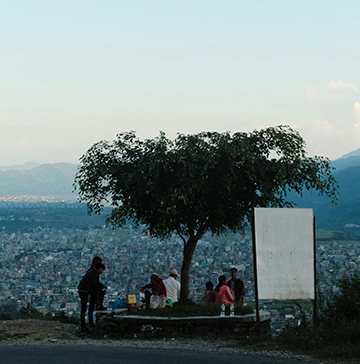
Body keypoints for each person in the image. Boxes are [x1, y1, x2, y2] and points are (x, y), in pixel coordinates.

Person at [78, 262, 106, 333]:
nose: (102, 272)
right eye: (102, 270)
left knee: (84, 308)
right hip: (84, 291)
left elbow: (95, 284)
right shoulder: (94, 274)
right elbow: (94, 284)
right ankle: (83, 326)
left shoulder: (92, 272)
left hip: (83, 290)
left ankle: (84, 325)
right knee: (83, 308)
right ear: (99, 268)